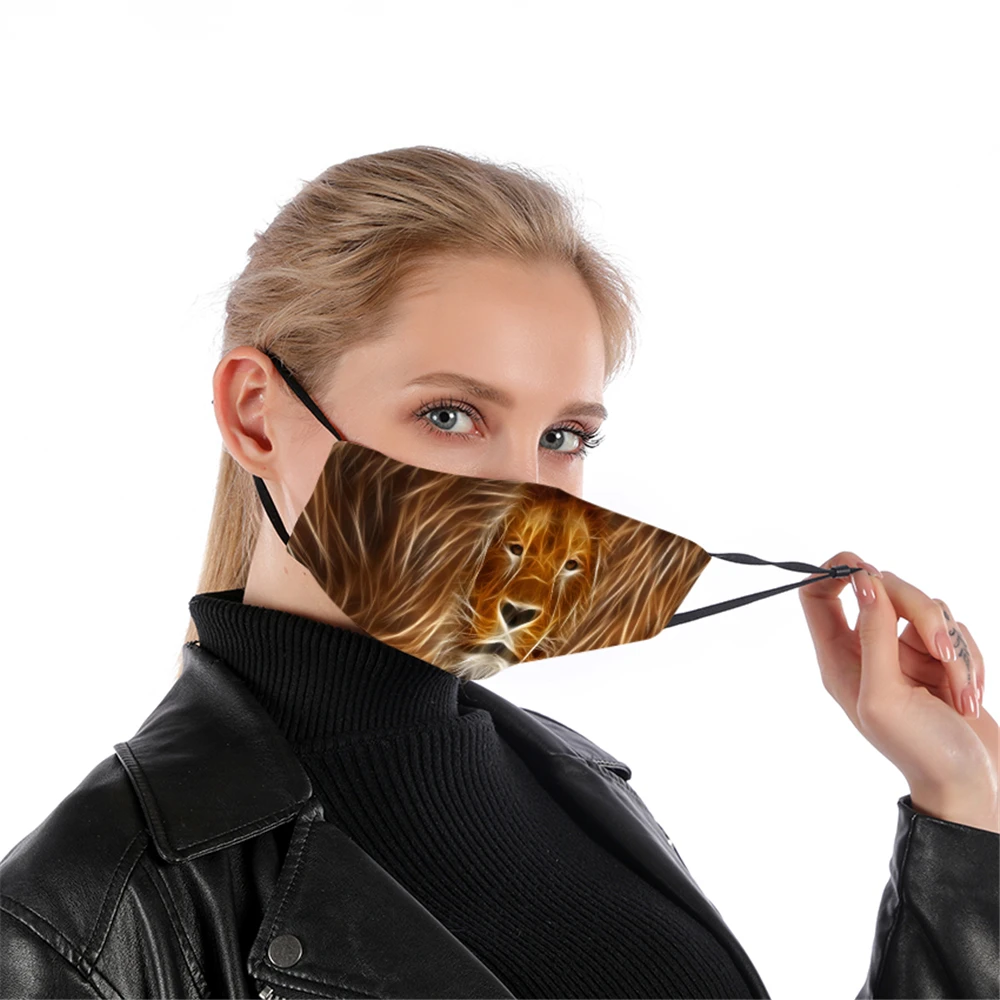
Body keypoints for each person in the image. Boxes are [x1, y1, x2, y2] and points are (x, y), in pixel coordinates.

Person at [1, 146, 996, 1000]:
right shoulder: (83, 914)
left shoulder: (571, 783)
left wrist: (958, 807)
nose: (523, 498)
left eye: (563, 436)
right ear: (258, 414)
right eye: (450, 416)